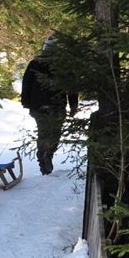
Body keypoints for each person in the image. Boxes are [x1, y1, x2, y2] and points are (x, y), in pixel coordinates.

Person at [20, 34, 78, 175]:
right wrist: (73, 105)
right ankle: (48, 155)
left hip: (38, 106)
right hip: (57, 105)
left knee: (43, 132)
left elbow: (26, 84)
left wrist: (26, 102)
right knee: (55, 133)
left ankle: (43, 158)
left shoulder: (34, 63)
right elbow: (71, 87)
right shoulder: (63, 65)